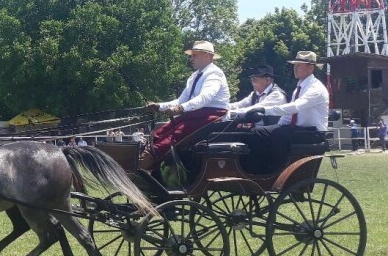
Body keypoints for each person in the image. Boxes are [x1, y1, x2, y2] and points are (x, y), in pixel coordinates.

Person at [141, 40, 230, 170]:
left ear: (207, 55)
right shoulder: (194, 76)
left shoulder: (214, 73)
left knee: (175, 135)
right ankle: (148, 162)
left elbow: (205, 98)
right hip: (195, 114)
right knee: (160, 132)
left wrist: (181, 109)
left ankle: (145, 163)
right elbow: (181, 100)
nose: (191, 58)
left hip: (211, 117)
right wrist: (159, 106)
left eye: (194, 55)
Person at [240, 51, 329, 173]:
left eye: (299, 65)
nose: (295, 68)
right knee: (258, 132)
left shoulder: (316, 89)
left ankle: (271, 170)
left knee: (272, 134)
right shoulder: (301, 86)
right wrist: (278, 125)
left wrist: (264, 110)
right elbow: (289, 115)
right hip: (298, 130)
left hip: (312, 133)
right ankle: (258, 169)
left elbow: (294, 107)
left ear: (311, 68)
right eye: (294, 65)